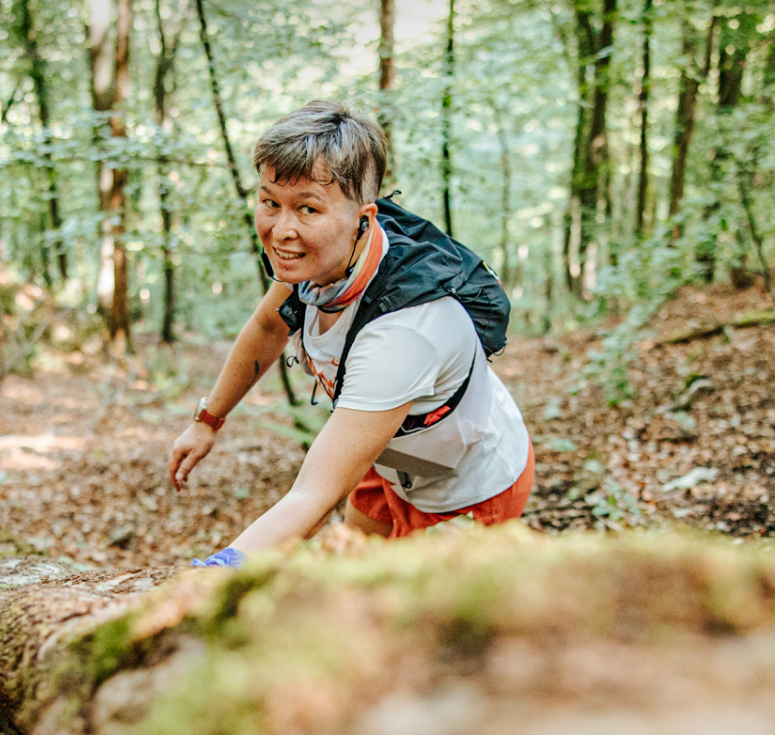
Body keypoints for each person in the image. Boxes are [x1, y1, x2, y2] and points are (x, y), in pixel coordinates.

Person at [167, 101, 534, 567]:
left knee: (405, 627)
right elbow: (267, 324)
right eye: (269, 203)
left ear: (365, 216)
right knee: (351, 569)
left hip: (469, 487)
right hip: (387, 456)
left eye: (308, 209)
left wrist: (209, 575)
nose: (282, 231)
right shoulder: (322, 258)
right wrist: (208, 420)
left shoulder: (405, 333)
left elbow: (313, 494)